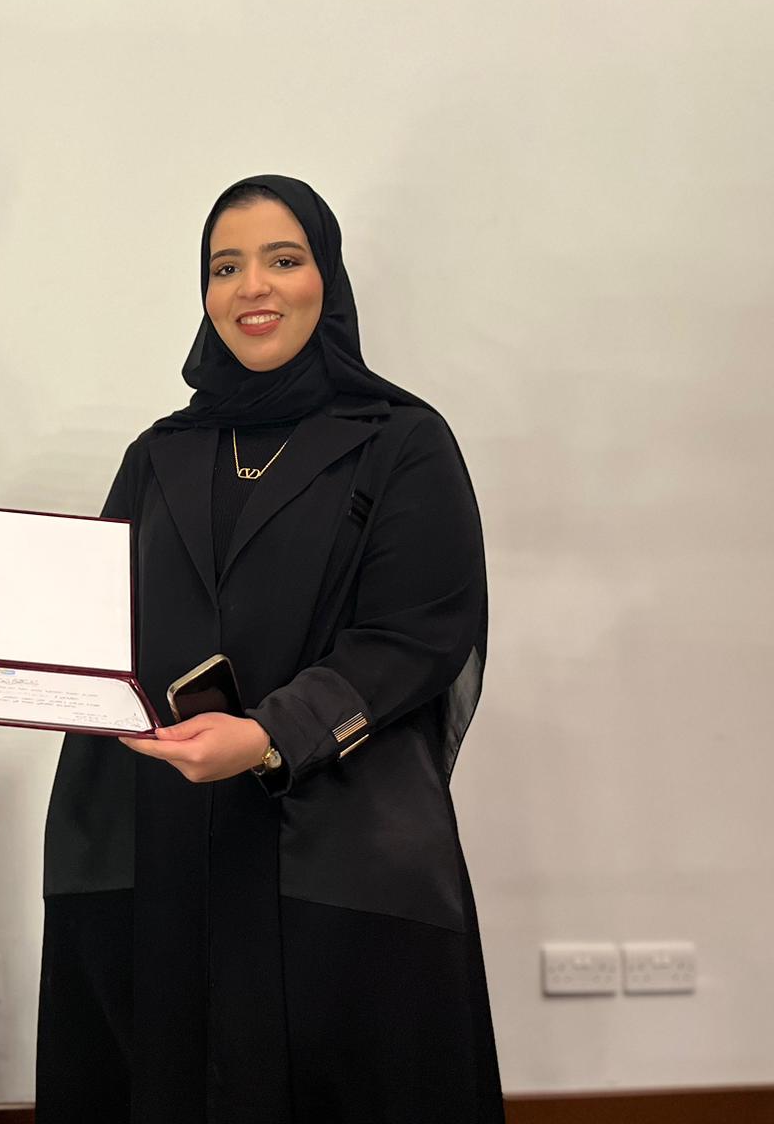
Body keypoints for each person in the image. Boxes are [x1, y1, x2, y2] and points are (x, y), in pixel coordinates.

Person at [38, 174, 499, 1121]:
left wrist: (269, 735)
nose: (252, 286)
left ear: (326, 277)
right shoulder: (158, 453)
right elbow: (93, 620)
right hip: (161, 844)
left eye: (282, 260)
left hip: (332, 845)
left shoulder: (401, 444)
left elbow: (417, 636)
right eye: (225, 267)